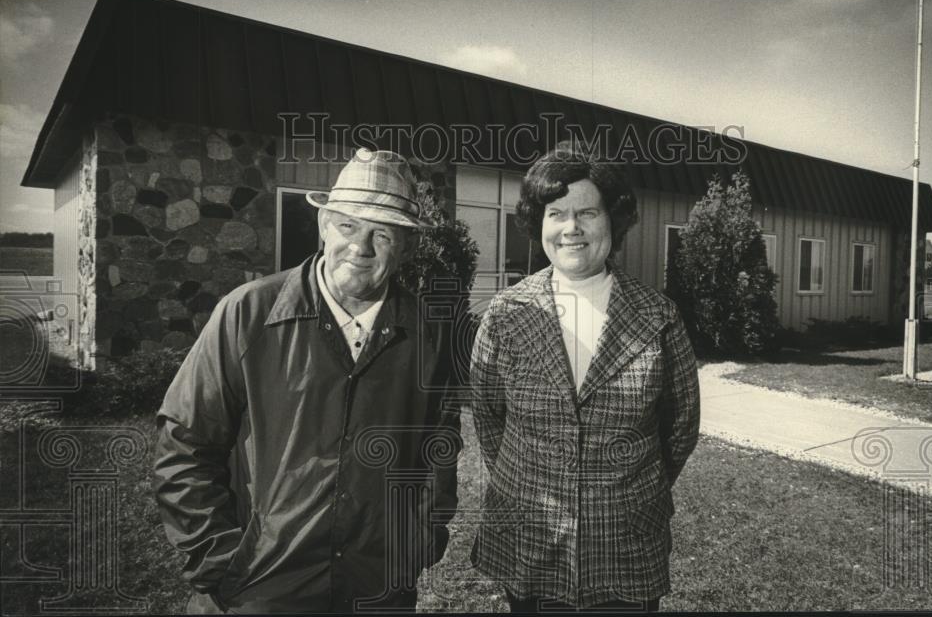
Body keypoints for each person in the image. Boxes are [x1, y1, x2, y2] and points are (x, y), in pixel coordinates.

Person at [153, 148, 461, 614]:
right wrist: (223, 564)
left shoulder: (430, 335)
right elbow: (182, 444)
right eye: (348, 226)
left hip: (377, 592)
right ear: (323, 226)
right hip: (258, 594)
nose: (361, 247)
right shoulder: (248, 314)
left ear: (407, 246)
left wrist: (414, 544)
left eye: (382, 232)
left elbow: (439, 449)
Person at [469, 141, 700, 612]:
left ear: (613, 220)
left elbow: (680, 427)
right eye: (556, 213)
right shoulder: (506, 313)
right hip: (529, 540)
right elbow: (489, 417)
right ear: (540, 223)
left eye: (587, 213)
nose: (571, 228)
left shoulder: (657, 316)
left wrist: (628, 492)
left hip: (624, 543)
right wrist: (526, 477)